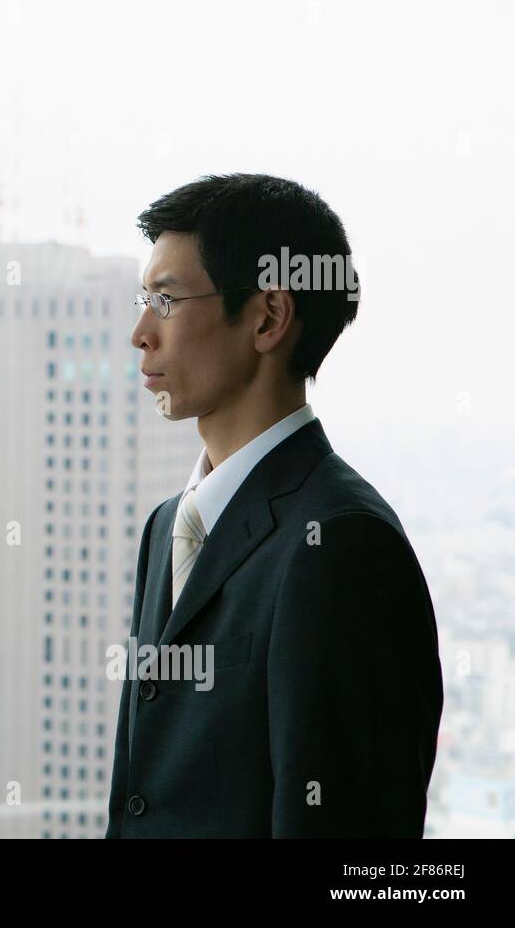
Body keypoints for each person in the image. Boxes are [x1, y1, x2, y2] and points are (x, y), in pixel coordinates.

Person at [105, 173, 443, 837]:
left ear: (267, 317)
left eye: (167, 300)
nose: (140, 333)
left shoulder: (343, 543)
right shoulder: (167, 525)